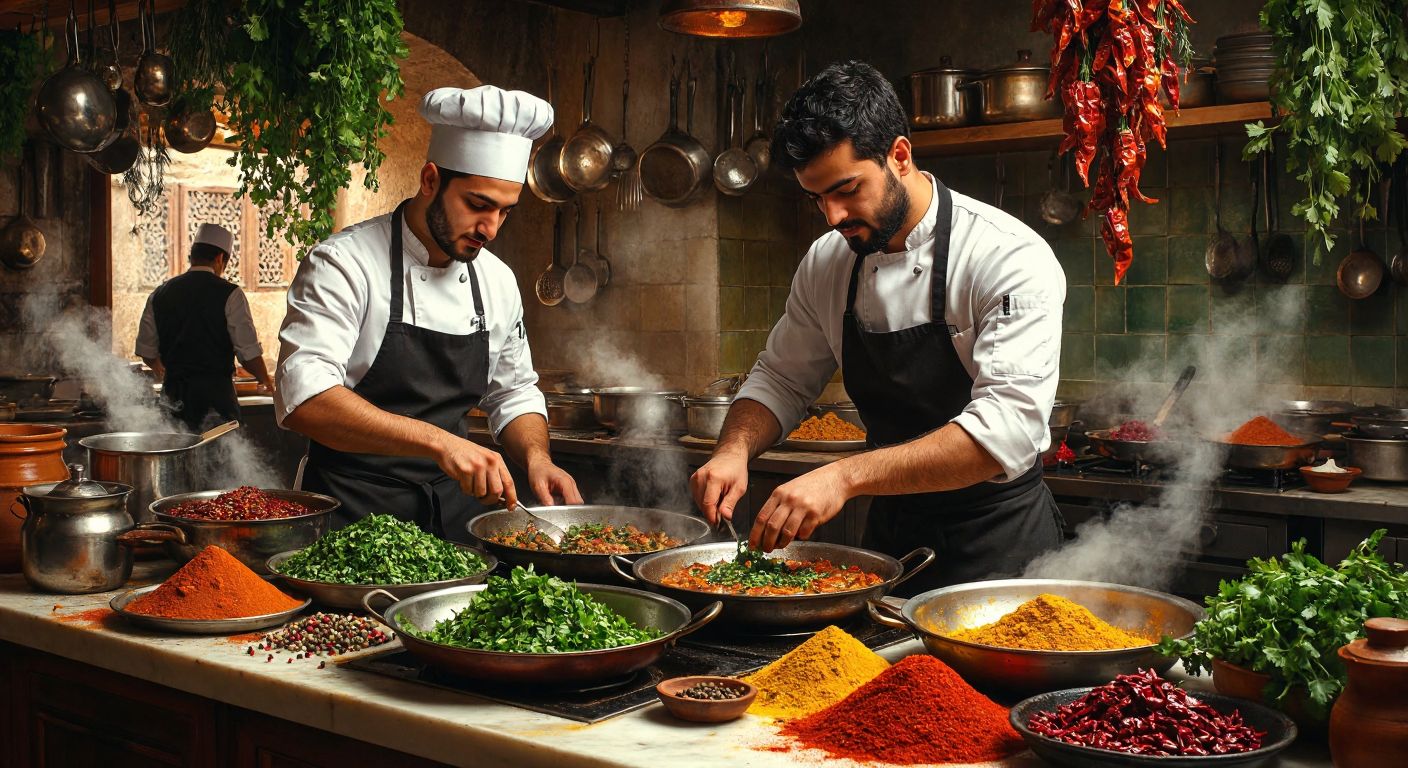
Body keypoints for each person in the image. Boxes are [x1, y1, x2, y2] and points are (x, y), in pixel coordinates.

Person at [690, 61, 1067, 594]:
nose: (832, 215)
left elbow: (1005, 432)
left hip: (1000, 550)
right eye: (817, 197)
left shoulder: (1006, 256)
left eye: (847, 189)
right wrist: (733, 449)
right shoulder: (828, 260)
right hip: (890, 543)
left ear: (900, 155)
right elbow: (780, 378)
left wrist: (844, 476)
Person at [275, 84, 581, 537]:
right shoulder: (344, 263)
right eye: (478, 205)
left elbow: (513, 392)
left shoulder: (496, 280)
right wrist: (439, 442)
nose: (491, 229)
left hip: (457, 522)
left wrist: (538, 458)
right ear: (430, 180)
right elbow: (304, 397)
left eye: (505, 211)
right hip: (352, 517)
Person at [136, 223, 272, 432]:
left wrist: (161, 370)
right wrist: (265, 380)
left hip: (173, 402)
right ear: (220, 258)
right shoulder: (231, 294)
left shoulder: (160, 293)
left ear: (192, 256)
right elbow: (248, 353)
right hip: (216, 404)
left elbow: (146, 351)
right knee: (220, 462)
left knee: (176, 460)